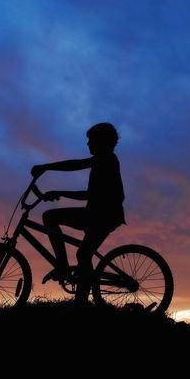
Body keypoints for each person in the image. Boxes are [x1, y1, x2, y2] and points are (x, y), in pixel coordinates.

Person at [30, 122, 126, 304]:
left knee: (79, 250)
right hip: (97, 214)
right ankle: (75, 290)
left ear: (102, 142)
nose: (88, 144)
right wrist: (48, 170)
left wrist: (49, 172)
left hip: (104, 216)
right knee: (83, 253)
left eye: (91, 141)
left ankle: (66, 275)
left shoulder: (106, 160)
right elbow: (77, 168)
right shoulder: (101, 160)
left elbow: (79, 172)